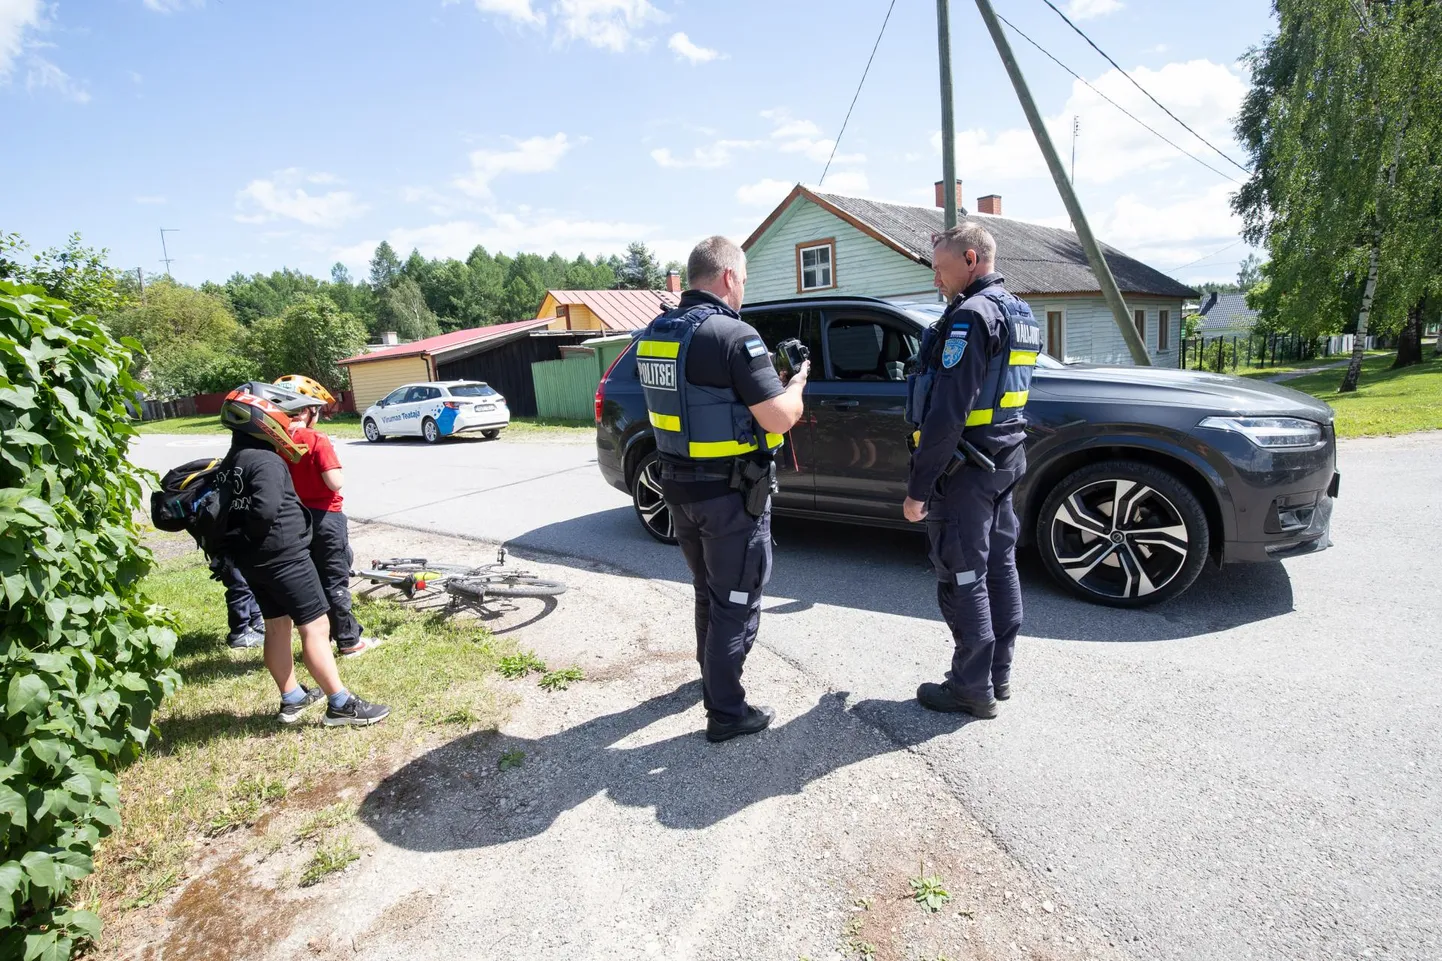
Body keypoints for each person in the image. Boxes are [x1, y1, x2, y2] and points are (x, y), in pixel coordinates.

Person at [637, 235, 809, 743]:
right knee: (736, 597)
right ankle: (727, 713)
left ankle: (712, 679)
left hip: (678, 489)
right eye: (745, 282)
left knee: (708, 591)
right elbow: (777, 420)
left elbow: (701, 395)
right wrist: (796, 385)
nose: (744, 294)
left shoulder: (656, 332)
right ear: (729, 277)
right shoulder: (734, 335)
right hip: (729, 495)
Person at [902, 222, 1041, 719]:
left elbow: (946, 414)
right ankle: (997, 674)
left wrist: (918, 489)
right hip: (1004, 461)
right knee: (1000, 566)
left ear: (970, 260)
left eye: (941, 269)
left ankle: (970, 688)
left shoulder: (971, 318)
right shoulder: (1020, 312)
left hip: (966, 470)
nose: (937, 279)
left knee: (963, 576)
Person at [214, 382, 390, 727]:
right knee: (316, 626)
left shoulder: (233, 460)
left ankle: (292, 696)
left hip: (252, 559)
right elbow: (264, 511)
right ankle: (340, 703)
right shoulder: (266, 460)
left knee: (277, 626)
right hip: (283, 555)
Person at [273, 374, 372, 658]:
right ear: (306, 410)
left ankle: (324, 636)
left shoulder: (273, 440)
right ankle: (349, 640)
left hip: (293, 518)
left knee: (312, 578)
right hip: (326, 516)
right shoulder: (315, 438)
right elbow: (334, 482)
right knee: (334, 578)